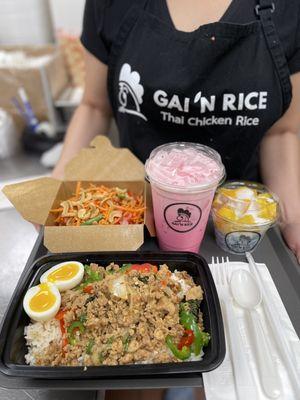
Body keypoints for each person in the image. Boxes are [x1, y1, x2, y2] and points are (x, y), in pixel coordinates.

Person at [53, 0, 300, 256]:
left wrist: (293, 220)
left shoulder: (289, 7)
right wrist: (59, 181)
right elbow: (94, 107)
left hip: (240, 228)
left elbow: (282, 131)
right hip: (135, 223)